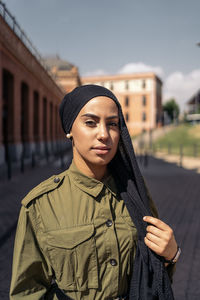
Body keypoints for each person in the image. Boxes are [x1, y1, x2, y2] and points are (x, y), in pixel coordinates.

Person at [10, 85, 180, 300]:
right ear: (69, 129)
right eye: (90, 123)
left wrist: (171, 255)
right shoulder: (41, 204)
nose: (103, 134)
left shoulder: (134, 191)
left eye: (113, 124)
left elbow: (155, 276)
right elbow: (27, 292)